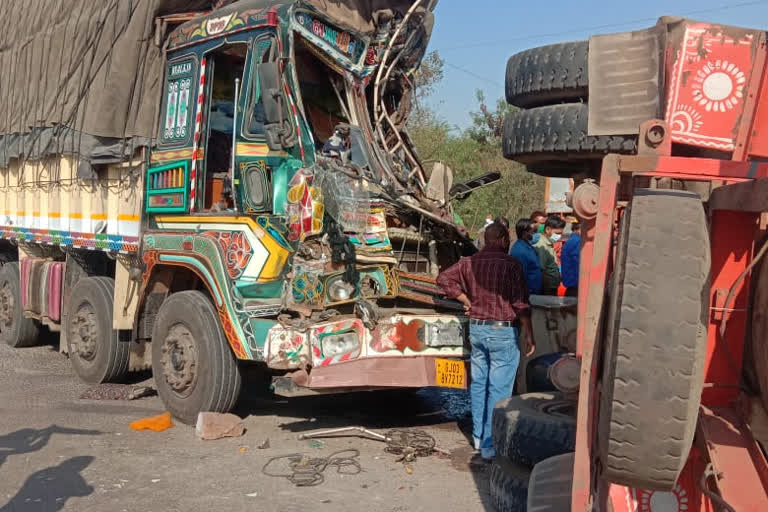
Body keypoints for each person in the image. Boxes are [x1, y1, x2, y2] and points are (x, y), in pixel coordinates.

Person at [437, 223, 535, 461]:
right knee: (499, 390)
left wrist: (467, 300)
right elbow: (520, 303)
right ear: (502, 239)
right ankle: (491, 447)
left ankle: (479, 438)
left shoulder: (468, 262)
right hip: (502, 332)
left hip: (477, 331)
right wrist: (529, 332)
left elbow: (442, 280)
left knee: (479, 384)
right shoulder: (511, 264)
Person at [509, 218, 542, 295]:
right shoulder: (520, 251)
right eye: (533, 231)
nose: (537, 234)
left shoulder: (528, 246)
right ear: (524, 233)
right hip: (528, 294)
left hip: (534, 292)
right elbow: (520, 277)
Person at [534, 215, 565, 295]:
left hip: (552, 286)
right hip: (547, 288)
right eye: (557, 233)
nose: (559, 236)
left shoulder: (549, 244)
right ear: (548, 229)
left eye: (561, 234)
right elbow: (541, 270)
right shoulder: (542, 246)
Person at [561, 220, 581, 297]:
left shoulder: (569, 241)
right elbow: (578, 264)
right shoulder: (578, 242)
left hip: (570, 283)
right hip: (576, 284)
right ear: (577, 230)